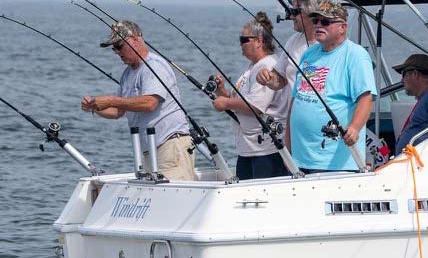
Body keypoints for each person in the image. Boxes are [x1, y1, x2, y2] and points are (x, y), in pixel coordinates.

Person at [81, 21, 195, 181]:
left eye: (119, 46)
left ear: (135, 39)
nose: (116, 52)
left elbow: (149, 103)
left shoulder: (154, 66)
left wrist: (112, 100)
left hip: (169, 147)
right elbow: (118, 111)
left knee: (177, 201)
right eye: (113, 48)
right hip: (149, 152)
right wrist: (94, 107)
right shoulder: (127, 74)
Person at [287, 0, 376, 174]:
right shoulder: (309, 53)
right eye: (315, 21)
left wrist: (355, 128)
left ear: (342, 27)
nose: (318, 25)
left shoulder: (356, 55)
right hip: (300, 159)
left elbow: (366, 99)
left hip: (335, 165)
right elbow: (295, 99)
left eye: (325, 22)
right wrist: (288, 149)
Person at [212, 13, 291, 180]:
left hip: (266, 152)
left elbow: (255, 106)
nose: (240, 44)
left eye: (244, 39)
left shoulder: (268, 65)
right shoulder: (252, 67)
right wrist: (222, 91)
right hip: (248, 150)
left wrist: (225, 103)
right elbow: (239, 101)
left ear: (259, 41)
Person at [255, 0, 324, 97]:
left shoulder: (329, 44)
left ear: (311, 13)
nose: (291, 17)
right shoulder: (293, 40)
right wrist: (267, 77)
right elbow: (280, 79)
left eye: (295, 12)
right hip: (294, 113)